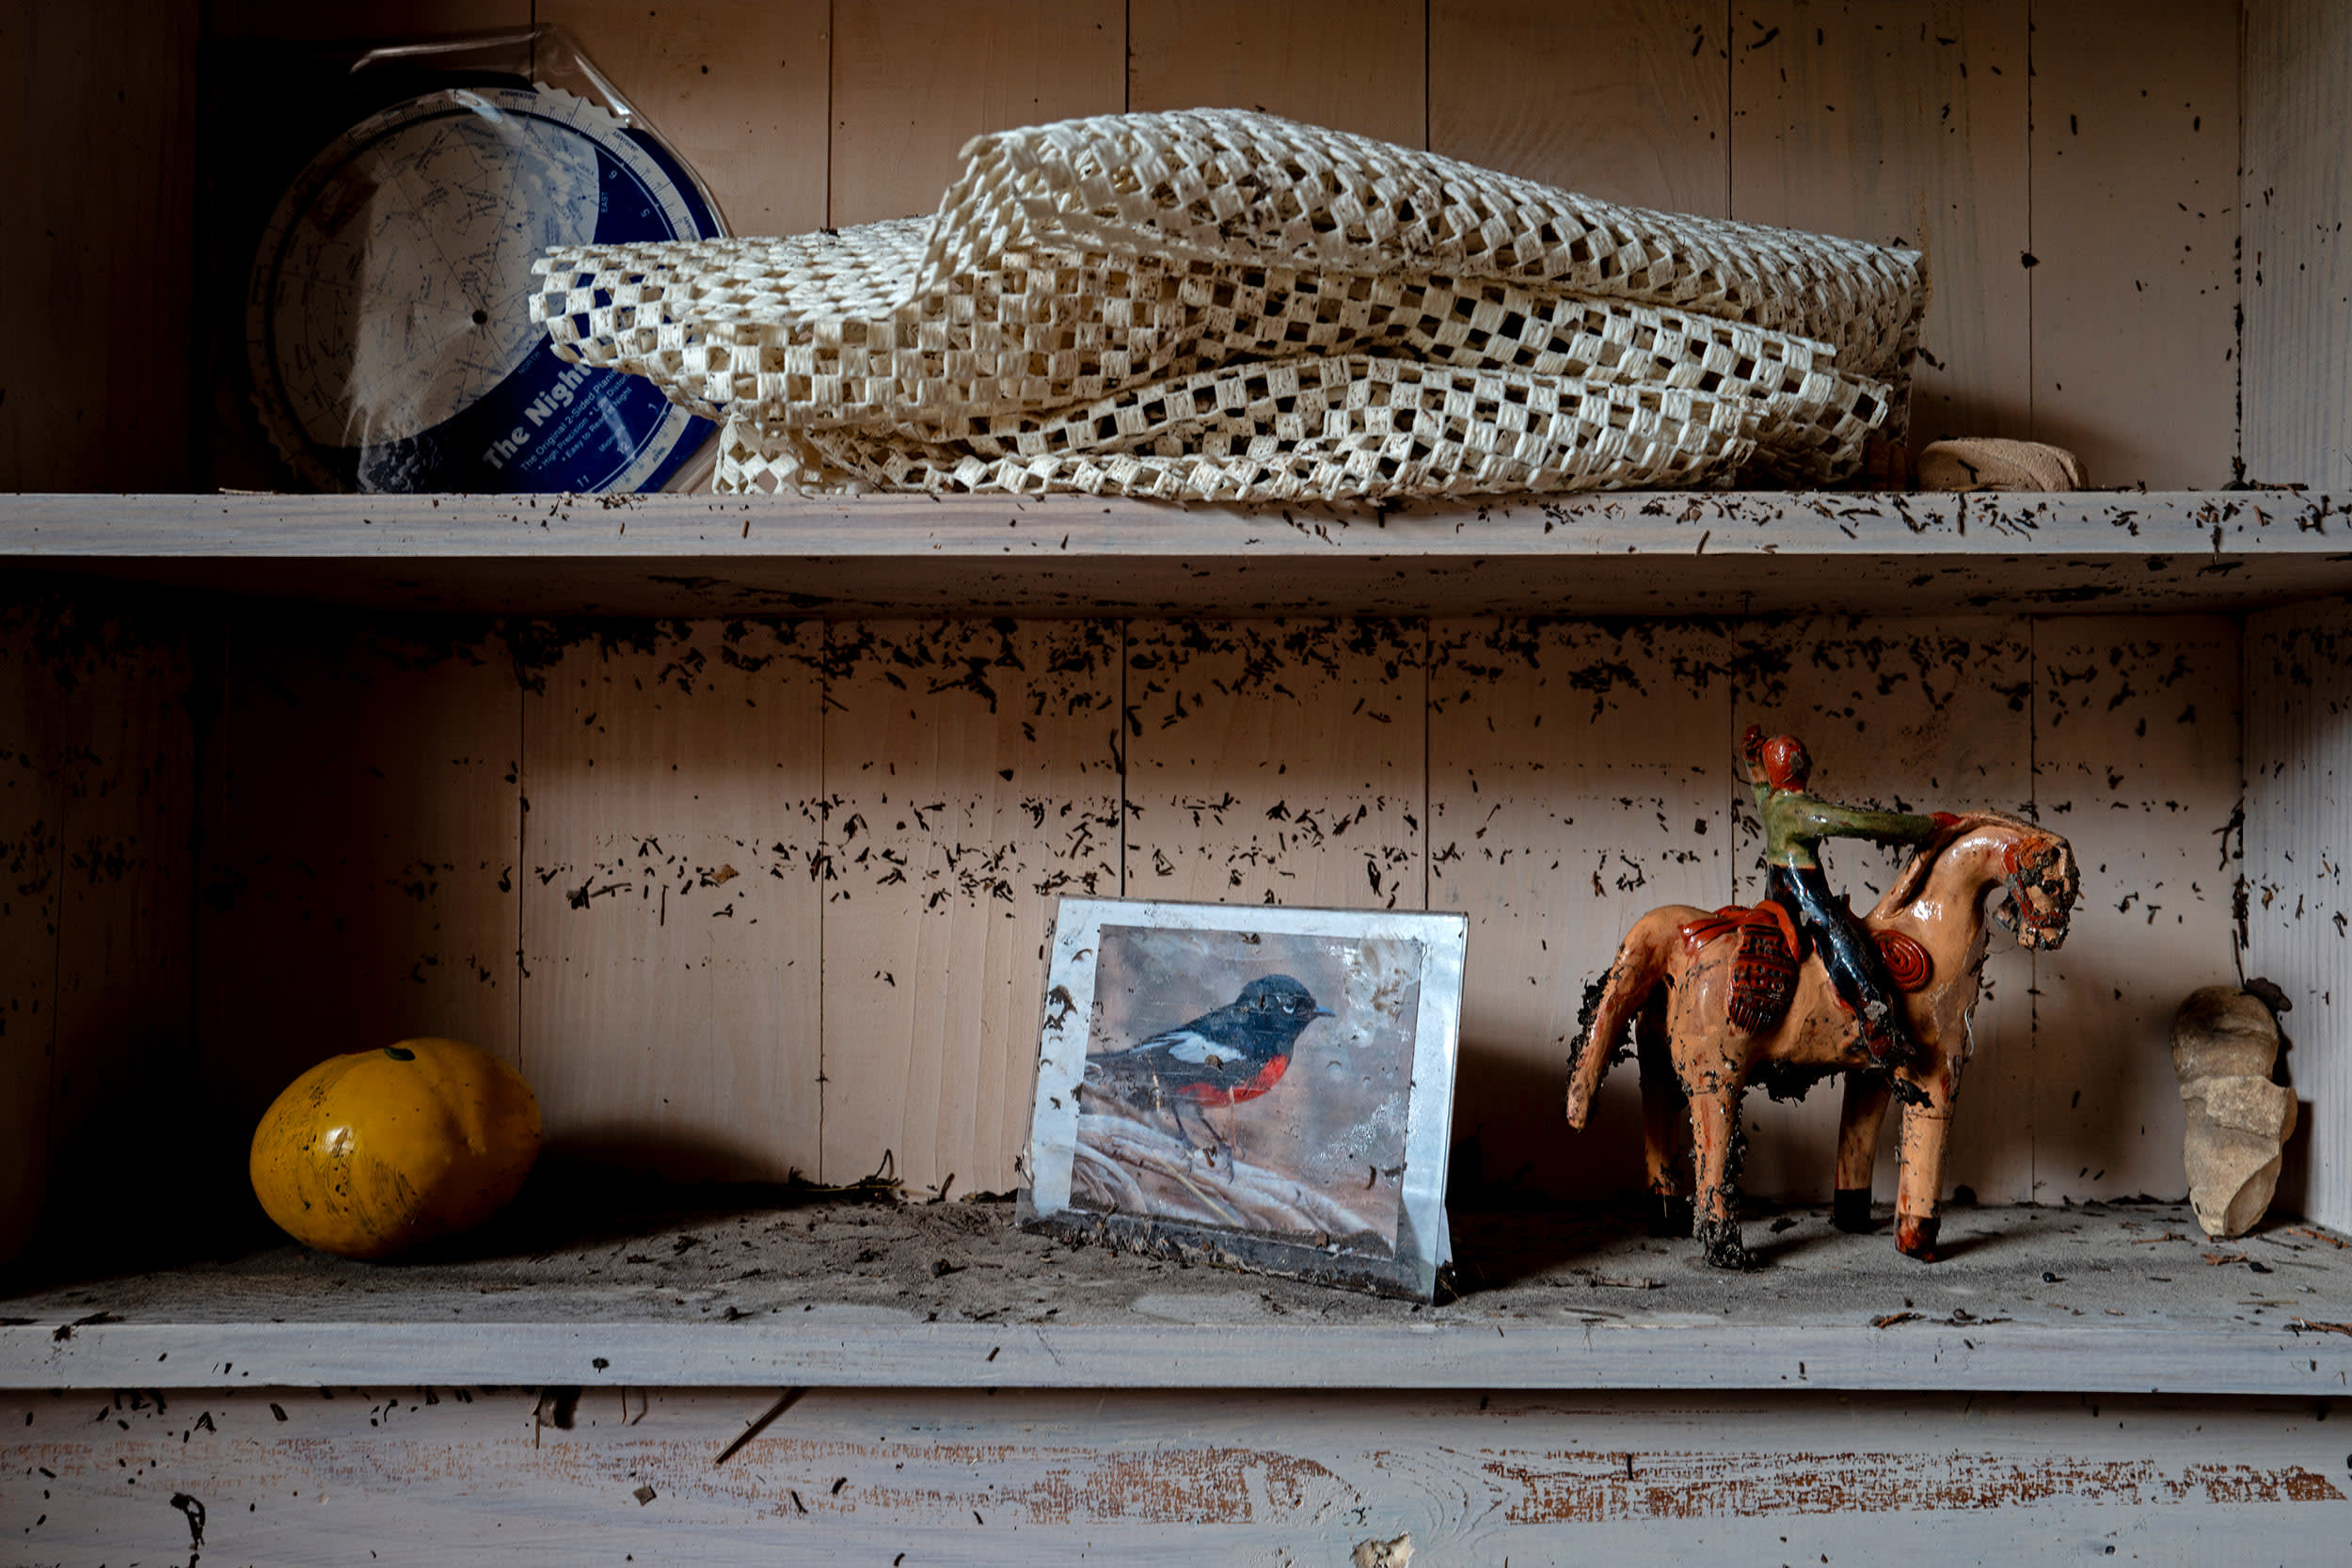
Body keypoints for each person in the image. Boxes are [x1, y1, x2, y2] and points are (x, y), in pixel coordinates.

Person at [1741, 727, 1955, 1065]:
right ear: (1800, 767)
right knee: (1842, 939)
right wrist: (1925, 827)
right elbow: (1858, 823)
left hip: (1777, 887)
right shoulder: (1801, 810)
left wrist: (1752, 759)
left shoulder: (1772, 803)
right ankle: (1878, 1026)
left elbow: (1759, 786)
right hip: (1803, 891)